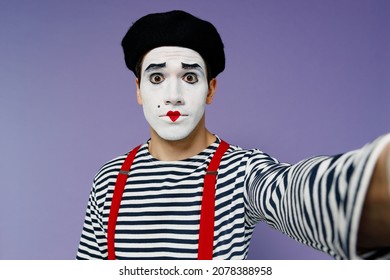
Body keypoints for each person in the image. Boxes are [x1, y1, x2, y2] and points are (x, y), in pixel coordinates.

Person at [76, 10, 390, 260]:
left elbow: (294, 193)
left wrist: (373, 180)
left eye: (189, 76)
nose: (173, 95)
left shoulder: (242, 171)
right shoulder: (109, 178)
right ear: (138, 90)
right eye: (156, 77)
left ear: (210, 89)